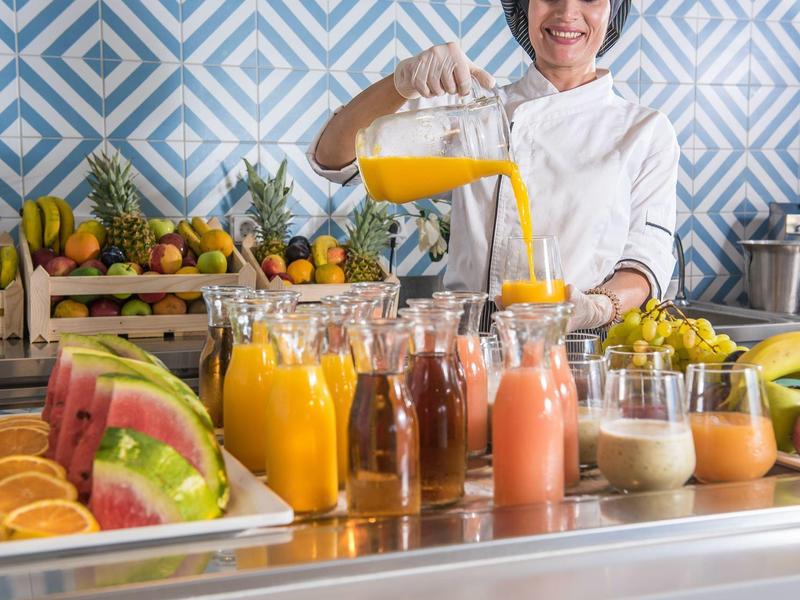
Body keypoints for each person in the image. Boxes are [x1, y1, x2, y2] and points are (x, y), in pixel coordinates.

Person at [307, 0, 678, 332]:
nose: (567, 11)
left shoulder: (644, 131)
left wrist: (597, 308)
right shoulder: (473, 111)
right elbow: (334, 160)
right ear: (524, 7)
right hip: (466, 342)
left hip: (578, 347)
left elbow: (645, 262)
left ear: (612, 10)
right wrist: (399, 84)